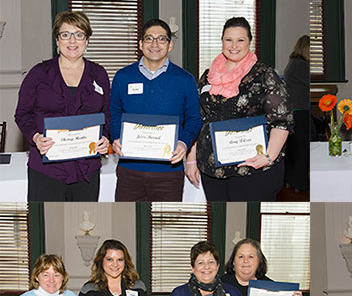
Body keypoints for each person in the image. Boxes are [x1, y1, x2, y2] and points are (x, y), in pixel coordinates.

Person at [185, 17, 294, 201]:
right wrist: (191, 159)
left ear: (249, 42)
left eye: (240, 40)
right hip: (212, 169)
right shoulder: (209, 75)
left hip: (252, 168)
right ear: (222, 41)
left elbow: (282, 120)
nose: (234, 45)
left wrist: (268, 157)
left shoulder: (264, 75)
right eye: (229, 39)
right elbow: (198, 118)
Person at [14, 11, 111, 201]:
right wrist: (35, 137)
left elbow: (106, 113)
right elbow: (22, 114)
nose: (72, 41)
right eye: (65, 34)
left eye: (79, 34)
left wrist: (105, 138)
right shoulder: (39, 73)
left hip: (87, 168)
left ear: (87, 40)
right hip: (47, 168)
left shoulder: (99, 74)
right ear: (57, 40)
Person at [110, 18, 201, 201]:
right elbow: (114, 113)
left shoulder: (185, 80)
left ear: (170, 45)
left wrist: (184, 142)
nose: (155, 44)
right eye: (149, 38)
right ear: (141, 44)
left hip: (169, 172)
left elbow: (194, 119)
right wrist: (116, 137)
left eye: (161, 39)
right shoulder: (123, 76)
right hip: (129, 170)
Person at [283, 34, 310, 192]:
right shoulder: (300, 65)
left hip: (296, 111)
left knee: (295, 150)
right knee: (301, 151)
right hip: (299, 111)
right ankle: (300, 184)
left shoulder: (294, 63)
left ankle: (291, 181)